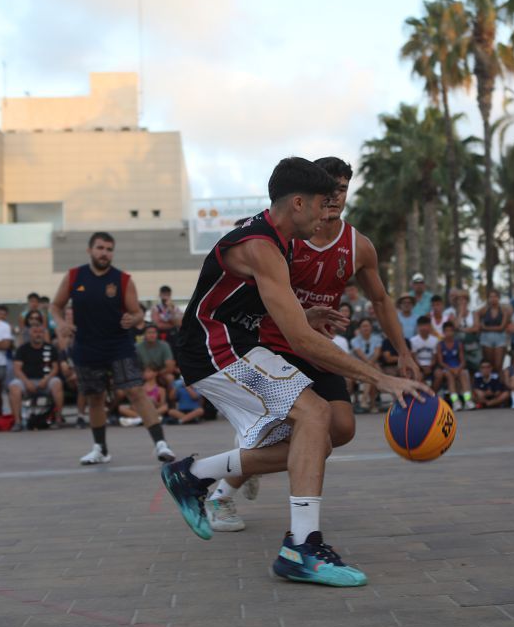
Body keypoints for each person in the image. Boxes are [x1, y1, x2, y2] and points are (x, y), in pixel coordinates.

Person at [162, 157, 427, 587]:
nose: (328, 212)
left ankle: (194, 476)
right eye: (323, 203)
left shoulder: (280, 238)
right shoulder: (263, 246)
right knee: (315, 415)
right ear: (299, 203)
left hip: (235, 342)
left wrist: (305, 310)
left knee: (314, 440)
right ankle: (301, 548)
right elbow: (301, 341)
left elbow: (264, 304)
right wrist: (382, 379)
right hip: (216, 348)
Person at [208, 156, 421, 532]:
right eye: (331, 189)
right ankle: (221, 494)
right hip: (272, 345)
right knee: (312, 424)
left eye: (343, 189)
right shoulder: (285, 237)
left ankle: (255, 456)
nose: (337, 197)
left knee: (341, 429)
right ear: (311, 195)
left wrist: (403, 352)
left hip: (317, 348)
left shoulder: (358, 246)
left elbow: (381, 301)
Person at [50, 232, 176, 465]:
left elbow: (137, 312)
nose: (104, 253)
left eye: (109, 249)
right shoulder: (74, 276)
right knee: (95, 398)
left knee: (136, 392)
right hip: (87, 346)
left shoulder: (123, 280)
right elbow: (55, 306)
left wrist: (133, 318)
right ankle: (100, 449)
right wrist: (62, 324)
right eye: (100, 248)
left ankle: (161, 444)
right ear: (90, 250)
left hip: (118, 345)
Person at [9, 323, 64, 431]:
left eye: (40, 332)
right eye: (35, 332)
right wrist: (26, 382)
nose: (38, 335)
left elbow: (55, 368)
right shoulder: (22, 349)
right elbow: (17, 369)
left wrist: (46, 380)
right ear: (30, 334)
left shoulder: (50, 348)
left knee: (57, 382)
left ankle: (58, 419)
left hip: (45, 381)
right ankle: (17, 422)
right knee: (13, 386)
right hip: (26, 381)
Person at [436, 321, 474, 410]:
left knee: (463, 374)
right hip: (447, 368)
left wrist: (459, 368)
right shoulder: (440, 345)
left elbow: (462, 360)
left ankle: (467, 400)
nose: (449, 333)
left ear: (454, 332)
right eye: (446, 331)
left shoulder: (458, 344)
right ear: (443, 332)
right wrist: (451, 369)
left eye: (451, 331)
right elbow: (441, 362)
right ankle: (455, 401)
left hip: (457, 367)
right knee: (450, 376)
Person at [350, 318, 383, 412]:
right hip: (359, 365)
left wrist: (369, 364)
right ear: (359, 328)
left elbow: (377, 354)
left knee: (371, 373)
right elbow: (361, 355)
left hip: (372, 364)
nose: (365, 328)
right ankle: (372, 405)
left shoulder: (377, 338)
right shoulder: (354, 340)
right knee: (372, 372)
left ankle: (365, 400)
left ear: (371, 327)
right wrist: (369, 365)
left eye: (367, 326)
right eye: (363, 326)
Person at [478, 290, 510, 372]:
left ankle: (498, 383)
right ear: (488, 299)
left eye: (495, 296)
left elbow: (502, 327)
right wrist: (481, 325)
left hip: (500, 338)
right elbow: (476, 318)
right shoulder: (484, 310)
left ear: (498, 298)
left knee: (498, 365)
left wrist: (486, 328)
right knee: (489, 364)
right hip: (486, 339)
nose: (493, 299)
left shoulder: (503, 310)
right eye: (491, 297)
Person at [410, 316, 440, 390]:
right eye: (421, 325)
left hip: (431, 366)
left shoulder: (435, 340)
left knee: (439, 374)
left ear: (429, 326)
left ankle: (434, 394)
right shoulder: (413, 340)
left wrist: (429, 367)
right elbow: (414, 358)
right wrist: (422, 368)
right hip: (418, 366)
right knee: (417, 375)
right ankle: (423, 395)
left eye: (425, 325)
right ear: (418, 327)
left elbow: (435, 358)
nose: (423, 328)